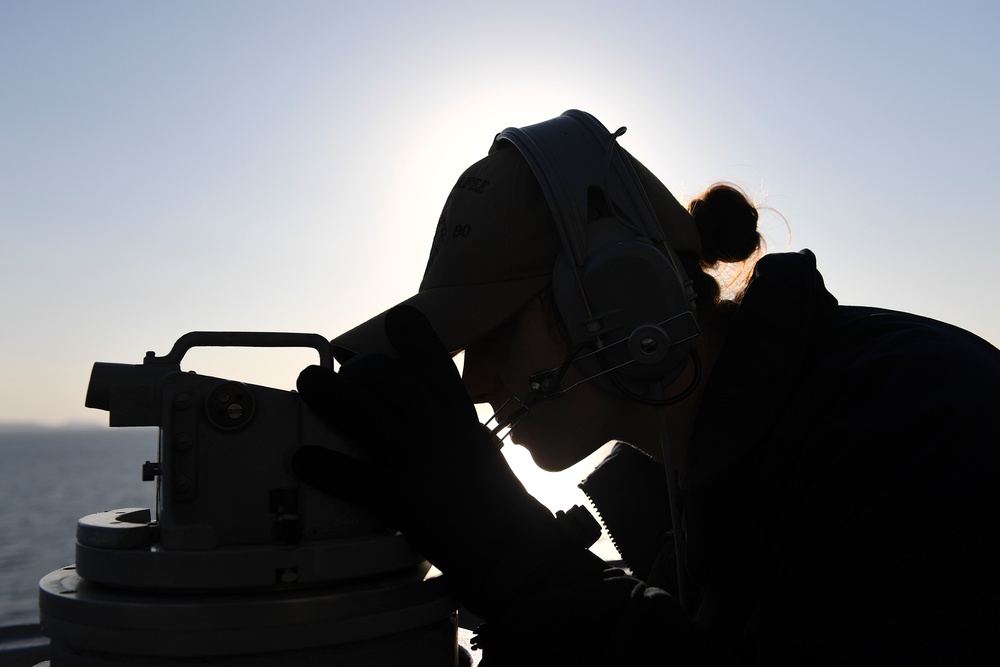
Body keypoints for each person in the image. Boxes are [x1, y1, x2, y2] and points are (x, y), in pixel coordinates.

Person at [291, 110, 1000, 665]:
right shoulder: (712, 493)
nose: (474, 382)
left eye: (497, 331)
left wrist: (524, 572)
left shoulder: (919, 421)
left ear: (621, 294)